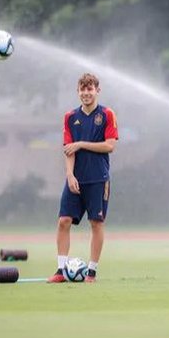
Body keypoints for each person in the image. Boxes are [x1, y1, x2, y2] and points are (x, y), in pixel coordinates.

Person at [47, 73, 118, 283]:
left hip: (98, 178)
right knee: (63, 221)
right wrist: (69, 175)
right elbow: (68, 149)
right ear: (77, 91)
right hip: (75, 179)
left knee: (96, 223)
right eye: (82, 89)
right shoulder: (70, 117)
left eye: (90, 89)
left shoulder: (107, 114)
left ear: (97, 90)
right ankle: (61, 271)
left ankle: (92, 272)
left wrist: (81, 144)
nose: (86, 93)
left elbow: (110, 146)